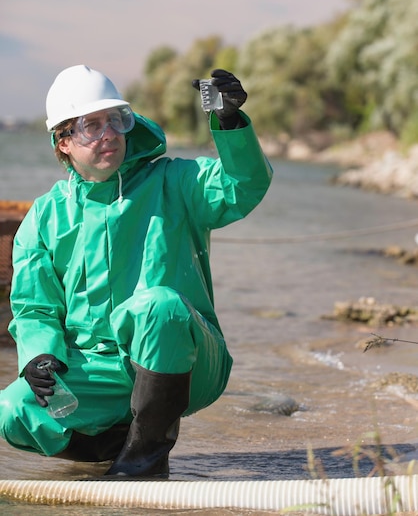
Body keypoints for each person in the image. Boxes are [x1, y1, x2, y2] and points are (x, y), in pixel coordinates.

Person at [0, 65, 272, 478]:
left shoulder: (177, 181)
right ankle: (119, 447)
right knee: (14, 411)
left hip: (188, 359)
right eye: (91, 126)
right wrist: (38, 355)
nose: (108, 133)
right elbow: (34, 308)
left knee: (156, 306)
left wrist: (229, 121)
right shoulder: (44, 216)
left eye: (115, 120)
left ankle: (143, 459)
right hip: (100, 371)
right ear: (64, 143)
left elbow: (243, 184)